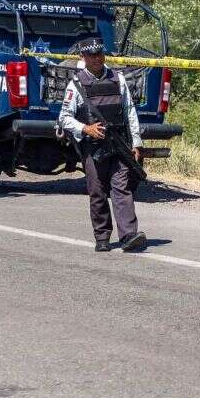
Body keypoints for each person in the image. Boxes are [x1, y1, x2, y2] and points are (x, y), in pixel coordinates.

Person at [58, 38, 147, 253]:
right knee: (97, 192)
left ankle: (128, 235)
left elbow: (129, 111)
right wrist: (85, 129)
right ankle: (102, 236)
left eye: (99, 54)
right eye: (92, 55)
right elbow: (64, 117)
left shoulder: (118, 78)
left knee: (121, 188)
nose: (97, 58)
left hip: (118, 143)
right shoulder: (76, 84)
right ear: (83, 58)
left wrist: (136, 141)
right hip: (93, 146)